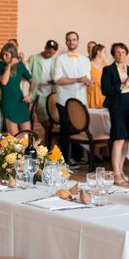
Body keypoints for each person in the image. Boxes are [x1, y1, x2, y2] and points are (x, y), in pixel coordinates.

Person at [101, 43, 129, 185]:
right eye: (118, 52)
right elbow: (105, 90)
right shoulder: (108, 70)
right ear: (113, 54)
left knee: (126, 140)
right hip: (116, 105)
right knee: (118, 138)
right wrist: (120, 86)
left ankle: (121, 169)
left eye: (123, 52)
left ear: (126, 54)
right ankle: (115, 172)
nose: (121, 55)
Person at [52, 31, 92, 166]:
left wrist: (88, 82)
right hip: (64, 100)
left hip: (80, 100)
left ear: (78, 41)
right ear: (66, 42)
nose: (72, 42)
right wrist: (77, 80)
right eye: (69, 40)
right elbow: (57, 80)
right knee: (66, 130)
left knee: (79, 129)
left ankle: (77, 157)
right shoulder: (60, 59)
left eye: (74, 39)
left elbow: (87, 78)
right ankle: (66, 160)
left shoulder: (85, 60)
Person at [0, 42, 34, 135]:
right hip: (8, 103)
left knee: (27, 136)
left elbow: (32, 80)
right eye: (3, 54)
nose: (4, 57)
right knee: (15, 137)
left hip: (20, 100)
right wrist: (9, 65)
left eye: (7, 55)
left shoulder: (20, 65)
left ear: (13, 54)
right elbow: (4, 82)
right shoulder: (1, 65)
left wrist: (30, 94)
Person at [28, 40, 59, 138]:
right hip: (39, 94)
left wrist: (56, 80)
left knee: (53, 123)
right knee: (46, 123)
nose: (50, 53)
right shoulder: (34, 58)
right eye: (48, 50)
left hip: (53, 95)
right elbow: (27, 74)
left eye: (52, 52)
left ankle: (48, 145)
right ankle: (48, 145)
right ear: (45, 48)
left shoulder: (56, 60)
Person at [87, 44, 107, 109]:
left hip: (103, 97)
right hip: (92, 97)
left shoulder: (106, 65)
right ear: (98, 52)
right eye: (104, 51)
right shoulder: (88, 65)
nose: (106, 54)